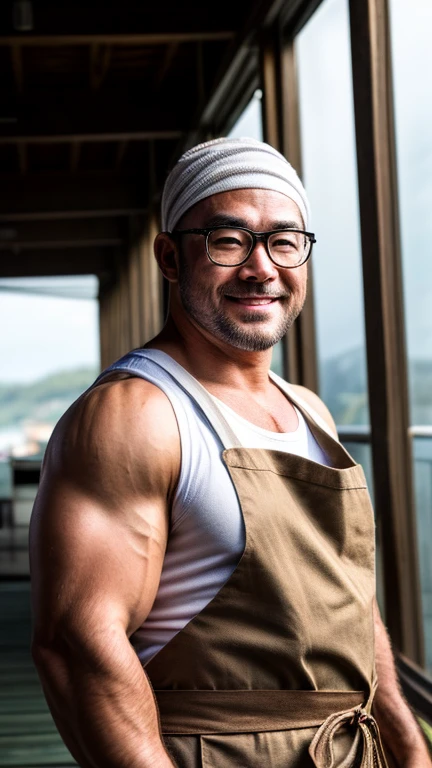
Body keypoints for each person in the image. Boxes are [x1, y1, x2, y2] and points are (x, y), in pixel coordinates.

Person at [30, 138, 430, 768]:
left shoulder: (309, 410)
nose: (261, 267)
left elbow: (347, 600)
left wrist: (407, 742)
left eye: (284, 239)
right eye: (228, 240)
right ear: (169, 257)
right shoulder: (135, 415)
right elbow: (78, 647)